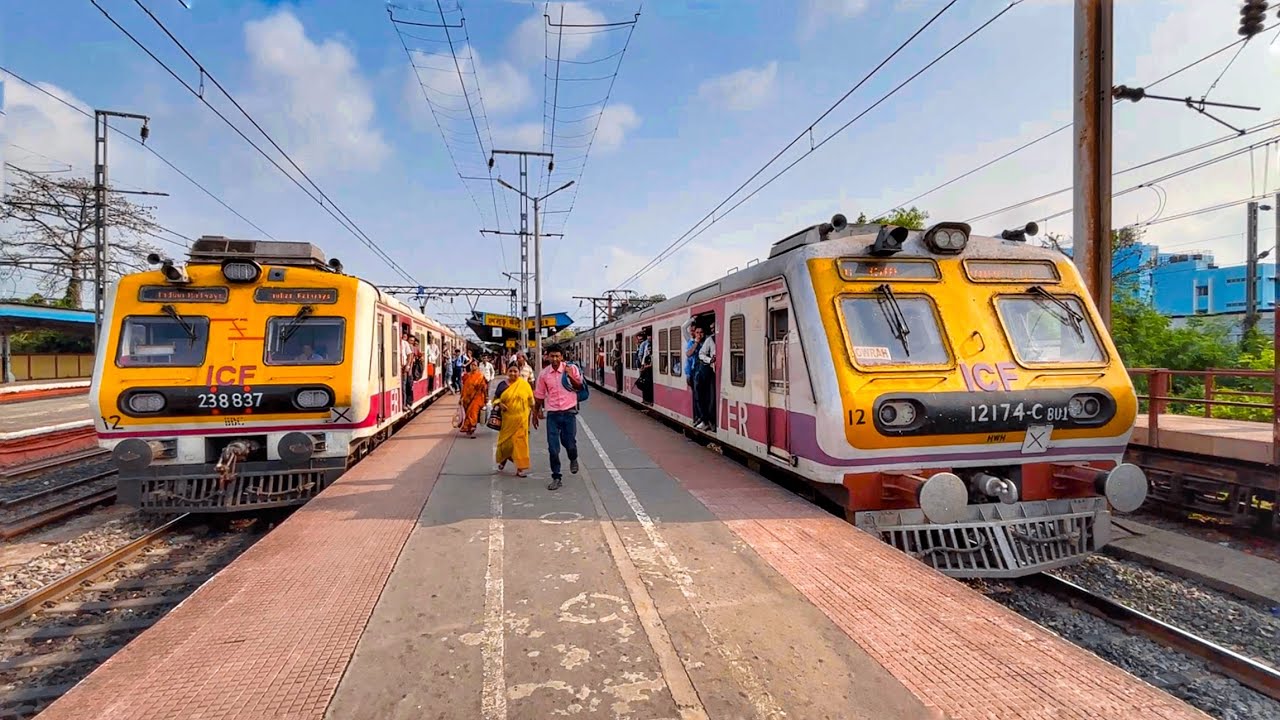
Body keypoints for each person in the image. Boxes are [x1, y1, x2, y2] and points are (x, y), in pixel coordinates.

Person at [532, 344, 583, 491]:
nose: (554, 359)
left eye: (557, 356)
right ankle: (556, 476)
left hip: (569, 412)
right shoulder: (544, 374)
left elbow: (579, 386)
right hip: (553, 414)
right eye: (552, 356)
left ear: (562, 357)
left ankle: (573, 457)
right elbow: (540, 395)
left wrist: (569, 375)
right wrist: (535, 413)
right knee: (553, 448)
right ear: (547, 357)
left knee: (570, 443)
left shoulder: (571, 369)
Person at [493, 365, 534, 477]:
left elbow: (531, 401)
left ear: (519, 372)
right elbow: (495, 399)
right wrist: (499, 404)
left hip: (522, 420)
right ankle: (504, 459)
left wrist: (534, 416)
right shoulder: (502, 385)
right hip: (507, 420)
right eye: (510, 371)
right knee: (506, 445)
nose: (512, 373)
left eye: (515, 371)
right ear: (507, 372)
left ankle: (520, 468)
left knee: (520, 444)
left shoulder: (524, 385)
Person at [695, 324, 717, 430]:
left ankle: (710, 421)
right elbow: (701, 354)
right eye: (712, 328)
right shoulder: (710, 340)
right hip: (711, 371)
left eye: (715, 328)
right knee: (708, 398)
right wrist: (710, 360)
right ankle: (708, 420)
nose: (713, 330)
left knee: (712, 399)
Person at [458, 360, 487, 437]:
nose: (473, 366)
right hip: (467, 398)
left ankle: (472, 428)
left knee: (473, 412)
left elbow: (484, 388)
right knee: (467, 413)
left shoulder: (480, 376)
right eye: (472, 365)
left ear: (477, 366)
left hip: (477, 397)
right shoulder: (466, 376)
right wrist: (461, 398)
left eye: (474, 365)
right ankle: (468, 428)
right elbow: (464, 388)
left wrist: (486, 398)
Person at [636, 329, 653, 405]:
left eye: (651, 336)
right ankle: (645, 398)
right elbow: (640, 355)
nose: (650, 337)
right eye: (649, 336)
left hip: (648, 365)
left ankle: (647, 399)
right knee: (644, 382)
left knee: (647, 383)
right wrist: (642, 365)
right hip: (644, 365)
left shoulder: (652, 344)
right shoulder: (644, 344)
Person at [400, 328, 415, 407]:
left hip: (404, 367)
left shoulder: (405, 343)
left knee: (404, 386)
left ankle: (405, 404)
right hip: (398, 368)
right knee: (403, 386)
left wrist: (408, 366)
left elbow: (410, 355)